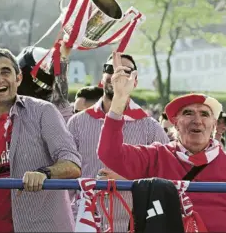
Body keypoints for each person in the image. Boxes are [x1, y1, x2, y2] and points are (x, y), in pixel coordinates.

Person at [96, 52, 226, 232]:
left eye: (205, 114)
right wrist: (119, 101)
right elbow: (109, 153)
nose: (197, 120)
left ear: (214, 124)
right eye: (188, 113)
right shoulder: (156, 156)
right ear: (175, 123)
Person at [0, 47, 82, 232]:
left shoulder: (43, 112)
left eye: (5, 72)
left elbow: (72, 164)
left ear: (19, 78)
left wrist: (44, 173)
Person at [67, 52, 169, 231]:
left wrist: (125, 180)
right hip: (85, 220)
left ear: (134, 82)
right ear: (102, 77)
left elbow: (165, 177)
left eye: (126, 72)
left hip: (133, 222)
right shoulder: (77, 122)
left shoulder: (150, 127)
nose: (118, 75)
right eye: (111, 69)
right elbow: (67, 173)